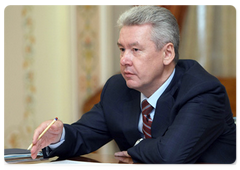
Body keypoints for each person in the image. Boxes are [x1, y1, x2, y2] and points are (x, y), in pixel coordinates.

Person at [30, 5, 237, 164]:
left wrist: (135, 149)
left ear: (167, 53)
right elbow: (83, 135)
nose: (124, 60)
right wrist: (60, 136)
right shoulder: (117, 88)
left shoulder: (203, 92)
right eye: (122, 49)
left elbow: (169, 155)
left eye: (135, 50)